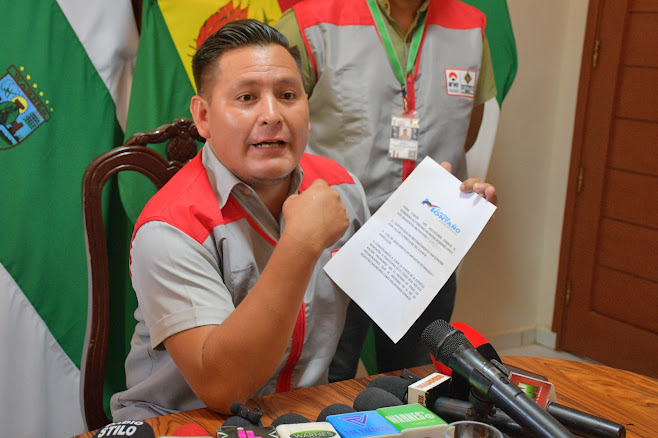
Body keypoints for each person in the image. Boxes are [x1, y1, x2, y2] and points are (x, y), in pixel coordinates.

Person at [110, 19, 371, 421]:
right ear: (203, 117)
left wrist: (448, 211)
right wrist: (300, 243)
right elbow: (223, 389)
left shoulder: (341, 188)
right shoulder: (170, 226)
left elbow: (389, 293)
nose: (273, 114)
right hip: (184, 420)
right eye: (247, 97)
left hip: (297, 414)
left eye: (288, 95)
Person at [275, 0, 498, 380]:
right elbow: (276, 131)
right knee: (326, 378)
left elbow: (467, 129)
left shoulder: (470, 27)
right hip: (334, 241)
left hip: (425, 242)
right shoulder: (311, 24)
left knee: (418, 380)